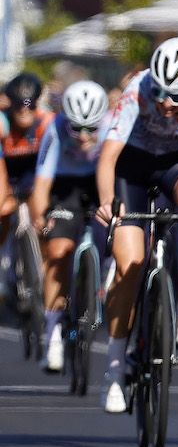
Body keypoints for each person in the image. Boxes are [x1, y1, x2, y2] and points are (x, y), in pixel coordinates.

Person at [95, 36, 178, 413]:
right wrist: (108, 201)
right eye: (158, 90)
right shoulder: (136, 90)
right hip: (132, 165)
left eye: (175, 97)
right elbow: (108, 157)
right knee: (130, 264)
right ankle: (115, 368)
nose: (162, 102)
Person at [29, 80, 109, 373]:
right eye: (77, 129)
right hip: (64, 186)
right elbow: (41, 185)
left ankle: (106, 283)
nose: (85, 137)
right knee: (59, 249)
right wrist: (41, 219)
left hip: (101, 181)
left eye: (92, 130)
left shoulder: (113, 125)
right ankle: (52, 335)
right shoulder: (54, 128)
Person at [1, 73, 55, 243]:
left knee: (42, 220)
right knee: (4, 210)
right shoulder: (3, 124)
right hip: (6, 173)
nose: (24, 110)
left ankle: (40, 255)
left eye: (30, 106)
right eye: (19, 105)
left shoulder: (47, 122)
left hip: (34, 174)